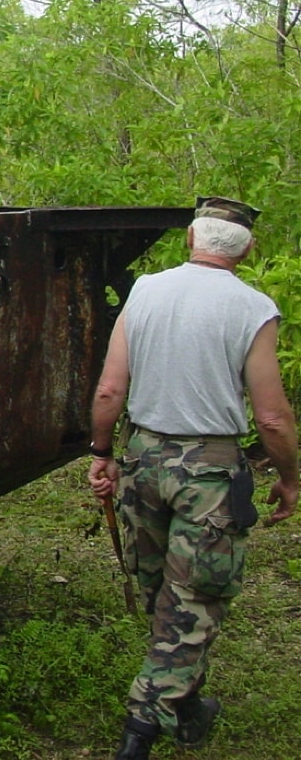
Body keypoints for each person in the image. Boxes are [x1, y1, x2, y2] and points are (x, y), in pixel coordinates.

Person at [88, 196, 299, 760]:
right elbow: (273, 416)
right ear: (249, 249)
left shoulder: (146, 292)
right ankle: (140, 728)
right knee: (194, 599)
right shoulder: (253, 308)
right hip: (208, 471)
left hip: (144, 458)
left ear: (190, 239)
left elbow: (110, 390)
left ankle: (187, 707)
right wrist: (290, 478)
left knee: (165, 590)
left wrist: (102, 452)